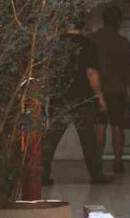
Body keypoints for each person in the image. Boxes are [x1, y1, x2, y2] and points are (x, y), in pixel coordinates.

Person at [42, 18, 111, 186]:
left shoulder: (55, 44)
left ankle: (42, 175)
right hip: (82, 98)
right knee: (88, 139)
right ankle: (96, 175)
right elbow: (91, 73)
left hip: (59, 98)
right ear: (83, 24)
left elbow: (47, 73)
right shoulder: (88, 44)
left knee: (51, 138)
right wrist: (100, 97)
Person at [91, 5, 130, 174]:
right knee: (117, 126)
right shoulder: (123, 42)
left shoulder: (92, 39)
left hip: (98, 91)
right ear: (118, 22)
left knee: (99, 127)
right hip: (118, 90)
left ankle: (98, 160)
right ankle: (118, 161)